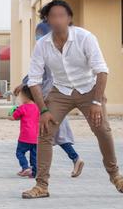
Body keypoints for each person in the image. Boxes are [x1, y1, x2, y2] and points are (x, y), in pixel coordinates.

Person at [22, 0, 123, 199]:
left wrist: (97, 103)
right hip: (60, 91)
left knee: (103, 130)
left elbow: (101, 71)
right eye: (52, 16)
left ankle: (115, 175)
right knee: (44, 132)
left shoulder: (85, 38)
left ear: (69, 18)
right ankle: (41, 185)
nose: (57, 20)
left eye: (61, 16)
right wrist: (44, 111)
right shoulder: (42, 45)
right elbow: (34, 81)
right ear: (47, 19)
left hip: (89, 89)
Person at [15, 21, 84, 178]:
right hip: (58, 98)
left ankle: (39, 170)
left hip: (48, 100)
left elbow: (36, 74)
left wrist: (24, 84)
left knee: (43, 137)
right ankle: (75, 159)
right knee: (59, 135)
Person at [9, 85, 39, 178]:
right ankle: (34, 172)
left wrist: (10, 114)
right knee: (34, 156)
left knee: (20, 153)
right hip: (36, 137)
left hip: (25, 137)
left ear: (25, 96)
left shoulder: (22, 108)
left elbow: (13, 117)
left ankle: (25, 167)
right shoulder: (38, 107)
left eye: (21, 96)